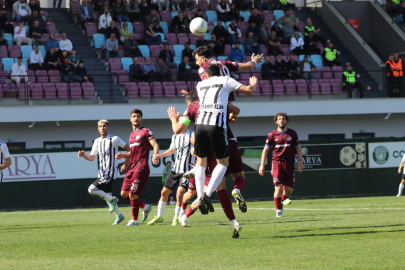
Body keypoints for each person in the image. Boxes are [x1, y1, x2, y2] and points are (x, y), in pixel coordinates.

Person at [193, 64, 257, 221]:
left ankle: (201, 195)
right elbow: (248, 91)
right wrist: (253, 83)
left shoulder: (200, 84)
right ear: (220, 72)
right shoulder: (226, 80)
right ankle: (206, 195)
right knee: (223, 163)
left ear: (206, 75)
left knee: (201, 162)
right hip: (216, 126)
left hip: (199, 125)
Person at [78, 120, 130, 225]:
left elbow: (129, 149)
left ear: (108, 127)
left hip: (110, 172)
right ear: (98, 129)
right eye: (100, 126)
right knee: (107, 195)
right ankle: (119, 216)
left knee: (91, 189)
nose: (102, 128)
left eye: (104, 126)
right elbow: (92, 157)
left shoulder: (114, 139)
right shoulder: (97, 141)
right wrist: (84, 155)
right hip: (101, 173)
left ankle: (113, 200)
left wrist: (126, 163)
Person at [115, 109, 159, 226]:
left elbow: (155, 144)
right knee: (124, 194)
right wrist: (123, 156)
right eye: (134, 116)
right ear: (130, 119)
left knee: (132, 194)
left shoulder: (145, 131)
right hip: (132, 167)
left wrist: (155, 155)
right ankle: (145, 207)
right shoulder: (131, 135)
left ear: (141, 119)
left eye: (138, 116)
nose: (136, 118)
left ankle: (135, 220)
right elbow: (133, 153)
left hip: (141, 167)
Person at [259, 112, 303, 218]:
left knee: (289, 191)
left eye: (283, 119)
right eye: (279, 119)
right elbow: (265, 150)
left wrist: (301, 161)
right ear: (276, 121)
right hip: (277, 163)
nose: (281, 120)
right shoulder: (272, 135)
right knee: (278, 188)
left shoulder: (292, 133)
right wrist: (262, 164)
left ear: (286, 121)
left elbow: (298, 148)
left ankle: (282, 200)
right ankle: (278, 211)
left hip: (289, 164)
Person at [148, 128, 193, 226]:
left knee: (180, 192)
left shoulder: (192, 135)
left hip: (186, 171)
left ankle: (176, 217)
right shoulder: (175, 136)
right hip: (175, 170)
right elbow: (171, 151)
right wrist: (159, 156)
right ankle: (159, 216)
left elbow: (195, 150)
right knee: (164, 192)